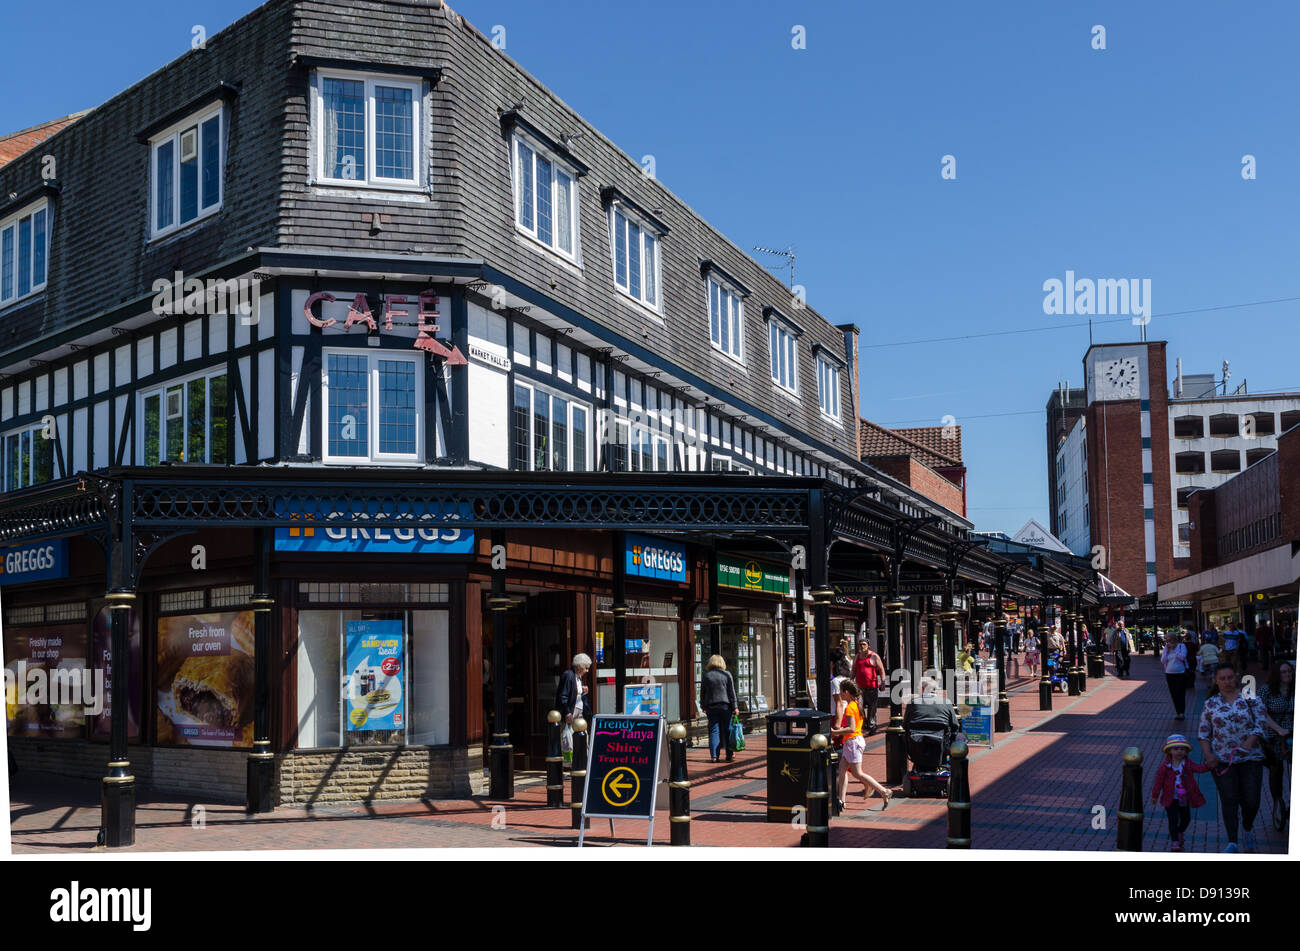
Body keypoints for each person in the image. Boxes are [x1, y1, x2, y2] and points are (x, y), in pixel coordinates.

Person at [1198, 663, 1289, 852]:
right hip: (1223, 760)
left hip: (1251, 759)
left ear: (1236, 677)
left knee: (1251, 800)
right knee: (1229, 799)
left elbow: (1262, 721)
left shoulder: (1250, 697)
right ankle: (1232, 841)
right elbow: (1204, 732)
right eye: (1222, 678)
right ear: (1216, 680)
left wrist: (1250, 741)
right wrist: (1208, 755)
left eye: (1230, 677)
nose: (1227, 682)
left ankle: (1247, 828)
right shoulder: (1211, 703)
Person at [831, 680, 890, 812]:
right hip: (852, 742)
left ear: (846, 692)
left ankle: (883, 791)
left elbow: (851, 729)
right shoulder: (856, 704)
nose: (840, 694)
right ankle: (841, 801)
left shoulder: (850, 707)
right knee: (842, 771)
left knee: (858, 773)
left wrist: (835, 732)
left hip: (853, 741)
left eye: (841, 692)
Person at [1149, 734, 1210, 852]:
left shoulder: (1187, 764)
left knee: (1186, 819)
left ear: (1186, 751)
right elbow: (1158, 781)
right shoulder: (1165, 766)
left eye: (1182, 749)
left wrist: (1209, 765)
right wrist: (1155, 795)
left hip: (1184, 798)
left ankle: (1180, 832)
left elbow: (1199, 768)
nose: (1179, 752)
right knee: (1173, 820)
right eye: (1176, 749)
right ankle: (1175, 841)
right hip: (1170, 798)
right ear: (1169, 751)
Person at [1257, 659, 1295, 823]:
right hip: (1274, 734)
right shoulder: (1266, 690)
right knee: (1277, 769)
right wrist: (1278, 729)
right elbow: (1260, 712)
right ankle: (1277, 802)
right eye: (1284, 672)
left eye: (1289, 671)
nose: (1287, 675)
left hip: (1293, 732)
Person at [700, 654, 739, 763]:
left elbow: (702, 693)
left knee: (714, 731)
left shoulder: (707, 676)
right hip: (725, 706)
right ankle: (729, 754)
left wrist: (702, 705)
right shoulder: (727, 674)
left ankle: (714, 756)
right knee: (727, 730)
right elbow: (732, 692)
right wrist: (735, 707)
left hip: (711, 706)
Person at [853, 638, 886, 734]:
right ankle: (864, 723)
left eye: (864, 644)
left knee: (872, 707)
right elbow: (853, 670)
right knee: (859, 706)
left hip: (872, 687)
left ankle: (872, 726)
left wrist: (883, 682)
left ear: (868, 645)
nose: (862, 646)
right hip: (859, 687)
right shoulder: (857, 657)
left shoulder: (874, 656)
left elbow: (881, 670)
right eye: (860, 644)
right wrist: (850, 681)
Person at [555, 653, 592, 725]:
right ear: (579, 666)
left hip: (579, 712)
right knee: (568, 734)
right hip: (571, 713)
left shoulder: (578, 677)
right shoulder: (569, 675)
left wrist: (583, 692)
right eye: (586, 668)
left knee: (582, 734)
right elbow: (563, 696)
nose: (587, 671)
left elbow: (575, 693)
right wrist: (567, 713)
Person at [1161, 631, 1190, 719]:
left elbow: (1182, 657)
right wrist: (1167, 651)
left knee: (1180, 693)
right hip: (1169, 674)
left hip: (1180, 673)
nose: (1167, 642)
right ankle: (1178, 712)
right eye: (1166, 641)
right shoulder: (1166, 648)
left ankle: (1182, 712)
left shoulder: (1181, 646)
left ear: (1174, 640)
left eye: (1169, 640)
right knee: (1173, 693)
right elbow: (1163, 661)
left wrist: (1174, 650)